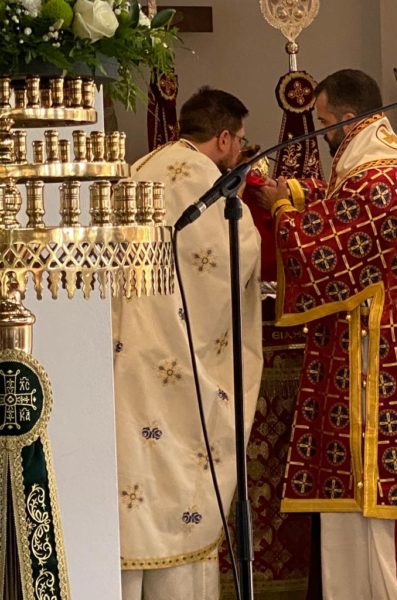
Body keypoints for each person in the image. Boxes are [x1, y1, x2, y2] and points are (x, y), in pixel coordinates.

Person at [255, 69, 397, 599]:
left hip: (385, 361)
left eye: (325, 123)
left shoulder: (375, 176)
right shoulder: (386, 163)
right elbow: (344, 203)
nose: (323, 134)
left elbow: (319, 253)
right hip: (391, 349)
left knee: (386, 495)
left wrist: (281, 209)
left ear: (347, 119)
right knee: (360, 499)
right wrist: (299, 190)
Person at [112, 87, 263, 600]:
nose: (240, 151)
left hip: (127, 354)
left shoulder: (141, 166)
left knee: (132, 480)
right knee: (174, 481)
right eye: (240, 141)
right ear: (223, 138)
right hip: (172, 357)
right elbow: (229, 257)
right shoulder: (201, 179)